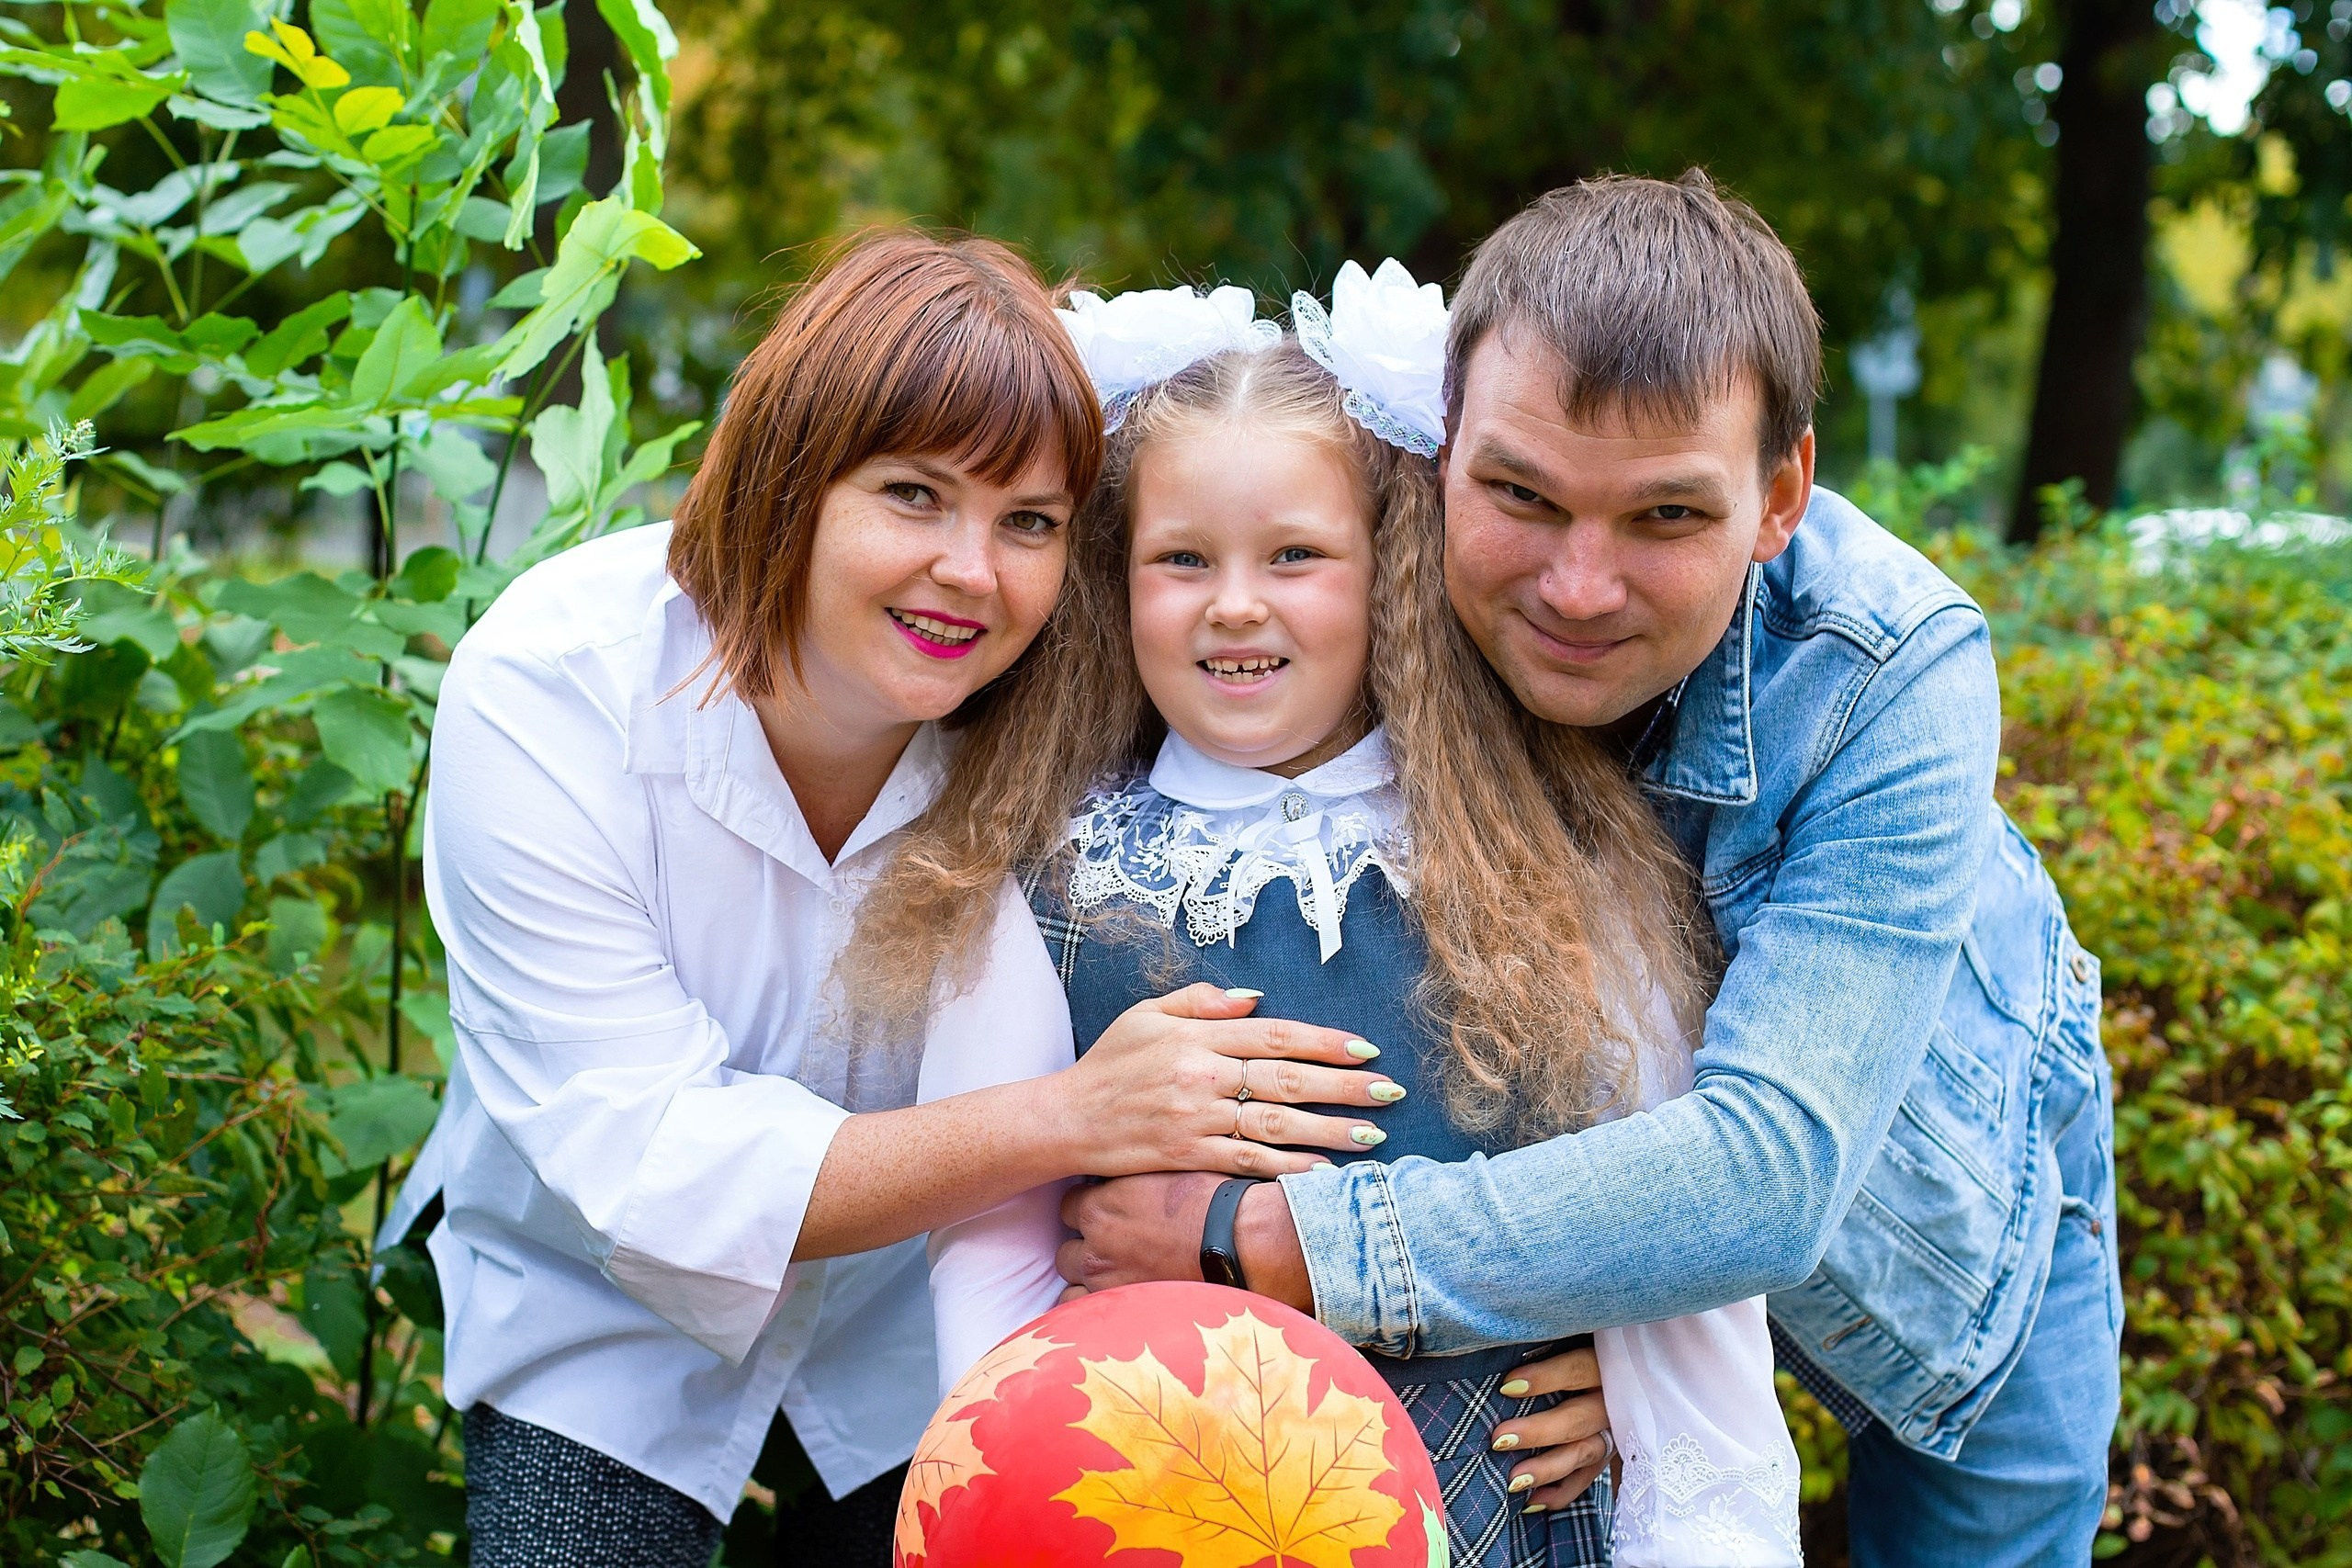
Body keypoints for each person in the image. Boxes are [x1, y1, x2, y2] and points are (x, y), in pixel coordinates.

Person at [1055, 174, 2124, 1567]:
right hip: (1579, 1252)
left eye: (1667, 519)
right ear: (1441, 443)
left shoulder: (1889, 669)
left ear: (1781, 494)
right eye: (1521, 494)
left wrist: (1265, 1243)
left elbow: (1769, 1174)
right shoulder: (1366, 568)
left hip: (1920, 1219)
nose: (1575, 584)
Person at [391, 231, 1396, 1568]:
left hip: (930, 1313)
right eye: (914, 496)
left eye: (1028, 522)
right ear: (790, 477)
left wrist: (1571, 1346)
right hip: (608, 1312)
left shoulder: (1067, 710)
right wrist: (1071, 1112)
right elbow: (644, 1163)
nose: (972, 572)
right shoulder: (551, 687)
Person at [905, 271, 1803, 1567]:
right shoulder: (1038, 898)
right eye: (1181, 560)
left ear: (1388, 574)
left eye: (1295, 557)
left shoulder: (1550, 864)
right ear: (1117, 580)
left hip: (1525, 1526)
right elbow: (989, 1293)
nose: (1235, 604)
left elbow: (1670, 1231)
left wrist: (1644, 1398)